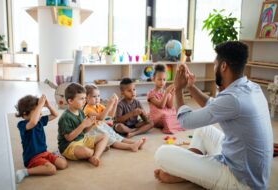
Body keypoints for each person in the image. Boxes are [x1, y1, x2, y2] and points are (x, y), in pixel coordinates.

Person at [154, 41, 273, 190]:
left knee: (161, 153)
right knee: (204, 130)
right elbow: (213, 104)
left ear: (223, 67)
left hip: (241, 182)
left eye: (215, 65)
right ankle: (192, 171)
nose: (214, 68)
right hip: (249, 170)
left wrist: (178, 89)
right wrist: (190, 87)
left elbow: (184, 121)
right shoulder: (251, 87)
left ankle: (189, 172)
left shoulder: (233, 99)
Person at [15, 94, 67, 183]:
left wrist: (48, 105)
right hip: (33, 157)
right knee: (52, 169)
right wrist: (40, 105)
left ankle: (53, 155)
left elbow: (55, 115)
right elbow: (33, 122)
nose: (41, 113)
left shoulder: (40, 120)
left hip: (44, 153)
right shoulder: (22, 125)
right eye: (37, 111)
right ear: (25, 114)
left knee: (63, 164)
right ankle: (25, 172)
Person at [58, 83, 109, 167]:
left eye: (85, 98)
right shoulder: (65, 117)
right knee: (87, 152)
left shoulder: (80, 112)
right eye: (81, 98)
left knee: (105, 136)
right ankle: (97, 150)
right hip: (69, 145)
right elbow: (69, 138)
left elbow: (84, 132)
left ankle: (95, 156)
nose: (84, 101)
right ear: (70, 101)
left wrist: (91, 125)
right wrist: (82, 125)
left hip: (82, 140)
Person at [83, 84, 147, 151]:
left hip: (101, 126)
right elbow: (101, 117)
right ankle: (131, 146)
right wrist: (109, 104)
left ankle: (135, 143)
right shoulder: (87, 109)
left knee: (115, 135)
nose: (97, 98)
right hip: (93, 130)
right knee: (111, 139)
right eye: (94, 96)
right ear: (86, 98)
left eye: (98, 96)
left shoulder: (98, 105)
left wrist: (115, 103)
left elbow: (111, 115)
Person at [147, 64, 184, 134]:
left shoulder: (165, 92)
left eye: (164, 79)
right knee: (165, 115)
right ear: (153, 79)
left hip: (166, 113)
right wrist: (166, 93)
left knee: (178, 112)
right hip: (157, 116)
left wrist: (172, 94)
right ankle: (172, 123)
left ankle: (172, 122)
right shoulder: (151, 94)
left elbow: (170, 106)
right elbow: (161, 106)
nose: (162, 82)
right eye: (159, 79)